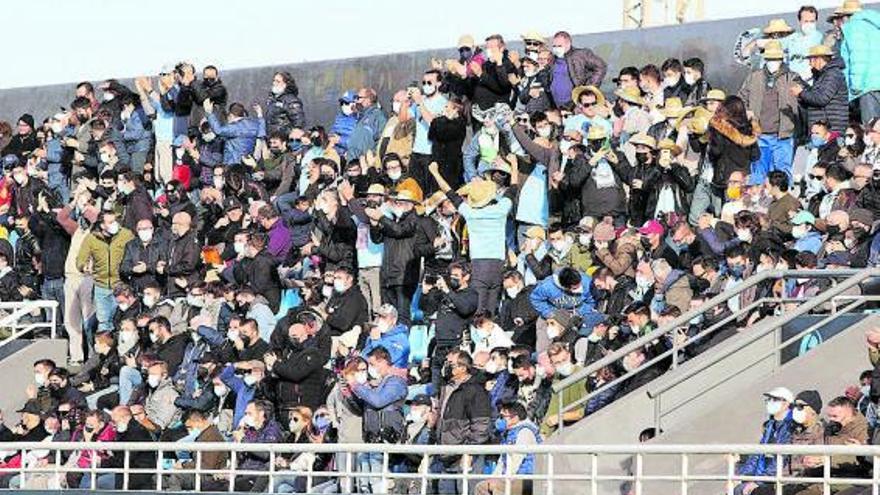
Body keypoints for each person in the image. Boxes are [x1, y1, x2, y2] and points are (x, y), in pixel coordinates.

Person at [348, 346, 408, 494]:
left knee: (377, 485)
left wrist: (356, 386)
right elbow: (363, 407)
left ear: (383, 361)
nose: (370, 369)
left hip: (385, 440)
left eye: (372, 364)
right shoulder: (376, 383)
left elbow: (378, 401)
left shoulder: (396, 382)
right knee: (363, 484)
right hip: (371, 440)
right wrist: (349, 392)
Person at [435, 349, 492, 495]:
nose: (447, 367)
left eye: (451, 364)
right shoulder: (446, 387)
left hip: (466, 456)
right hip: (445, 454)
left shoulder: (475, 390)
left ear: (463, 367)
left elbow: (481, 425)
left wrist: (469, 451)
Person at [76, 211, 134, 332]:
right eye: (111, 222)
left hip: (120, 284)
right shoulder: (91, 238)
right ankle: (105, 348)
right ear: (102, 225)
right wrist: (83, 266)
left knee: (121, 320)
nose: (115, 224)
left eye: (115, 221)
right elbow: (80, 259)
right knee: (103, 321)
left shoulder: (126, 235)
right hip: (101, 286)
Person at [734, 387, 795, 495]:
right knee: (736, 488)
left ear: (786, 404)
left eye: (775, 399)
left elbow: (782, 459)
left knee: (747, 490)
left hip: (777, 479)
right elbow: (757, 455)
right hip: (763, 477)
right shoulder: (770, 425)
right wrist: (743, 477)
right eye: (769, 399)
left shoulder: (790, 426)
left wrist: (759, 481)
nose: (770, 402)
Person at [475, 400, 542, 495]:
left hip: (527, 478)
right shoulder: (508, 433)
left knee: (498, 488)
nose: (500, 420)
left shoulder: (525, 432)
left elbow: (516, 460)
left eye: (503, 417)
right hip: (512, 477)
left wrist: (501, 480)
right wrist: (494, 477)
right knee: (482, 487)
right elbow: (502, 461)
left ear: (515, 418)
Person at [792, 45, 849, 133]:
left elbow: (821, 99)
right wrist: (801, 84)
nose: (809, 64)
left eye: (811, 60)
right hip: (822, 128)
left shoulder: (833, 74)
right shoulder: (822, 75)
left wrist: (801, 93)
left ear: (819, 59)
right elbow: (814, 95)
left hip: (831, 128)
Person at [548, 31, 608, 106]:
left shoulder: (580, 55)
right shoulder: (552, 59)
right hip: (556, 104)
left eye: (559, 46)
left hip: (576, 104)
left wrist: (590, 87)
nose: (556, 48)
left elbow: (601, 66)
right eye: (554, 46)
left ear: (568, 44)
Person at [361, 304, 410, 369]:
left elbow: (389, 360)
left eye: (384, 317)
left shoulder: (401, 338)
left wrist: (376, 341)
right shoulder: (377, 333)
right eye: (378, 316)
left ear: (394, 320)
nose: (379, 320)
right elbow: (365, 354)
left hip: (392, 374)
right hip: (370, 370)